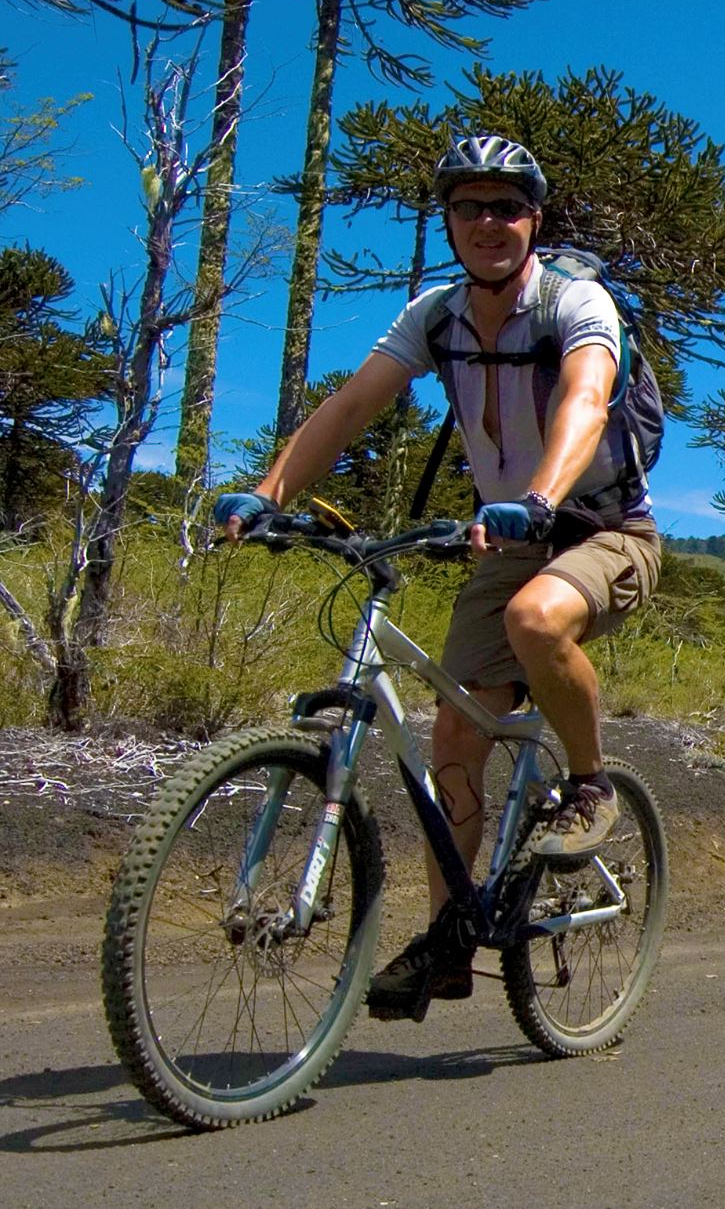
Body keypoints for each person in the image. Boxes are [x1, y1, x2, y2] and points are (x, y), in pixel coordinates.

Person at [214, 135, 662, 1017]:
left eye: (508, 207)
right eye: (469, 208)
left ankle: (591, 784)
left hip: (606, 530)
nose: (489, 223)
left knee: (537, 621)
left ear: (534, 221)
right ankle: (449, 940)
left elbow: (585, 400)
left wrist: (539, 497)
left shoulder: (575, 303)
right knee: (455, 738)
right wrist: (267, 495)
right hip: (506, 540)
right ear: (449, 222)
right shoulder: (435, 317)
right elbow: (350, 405)